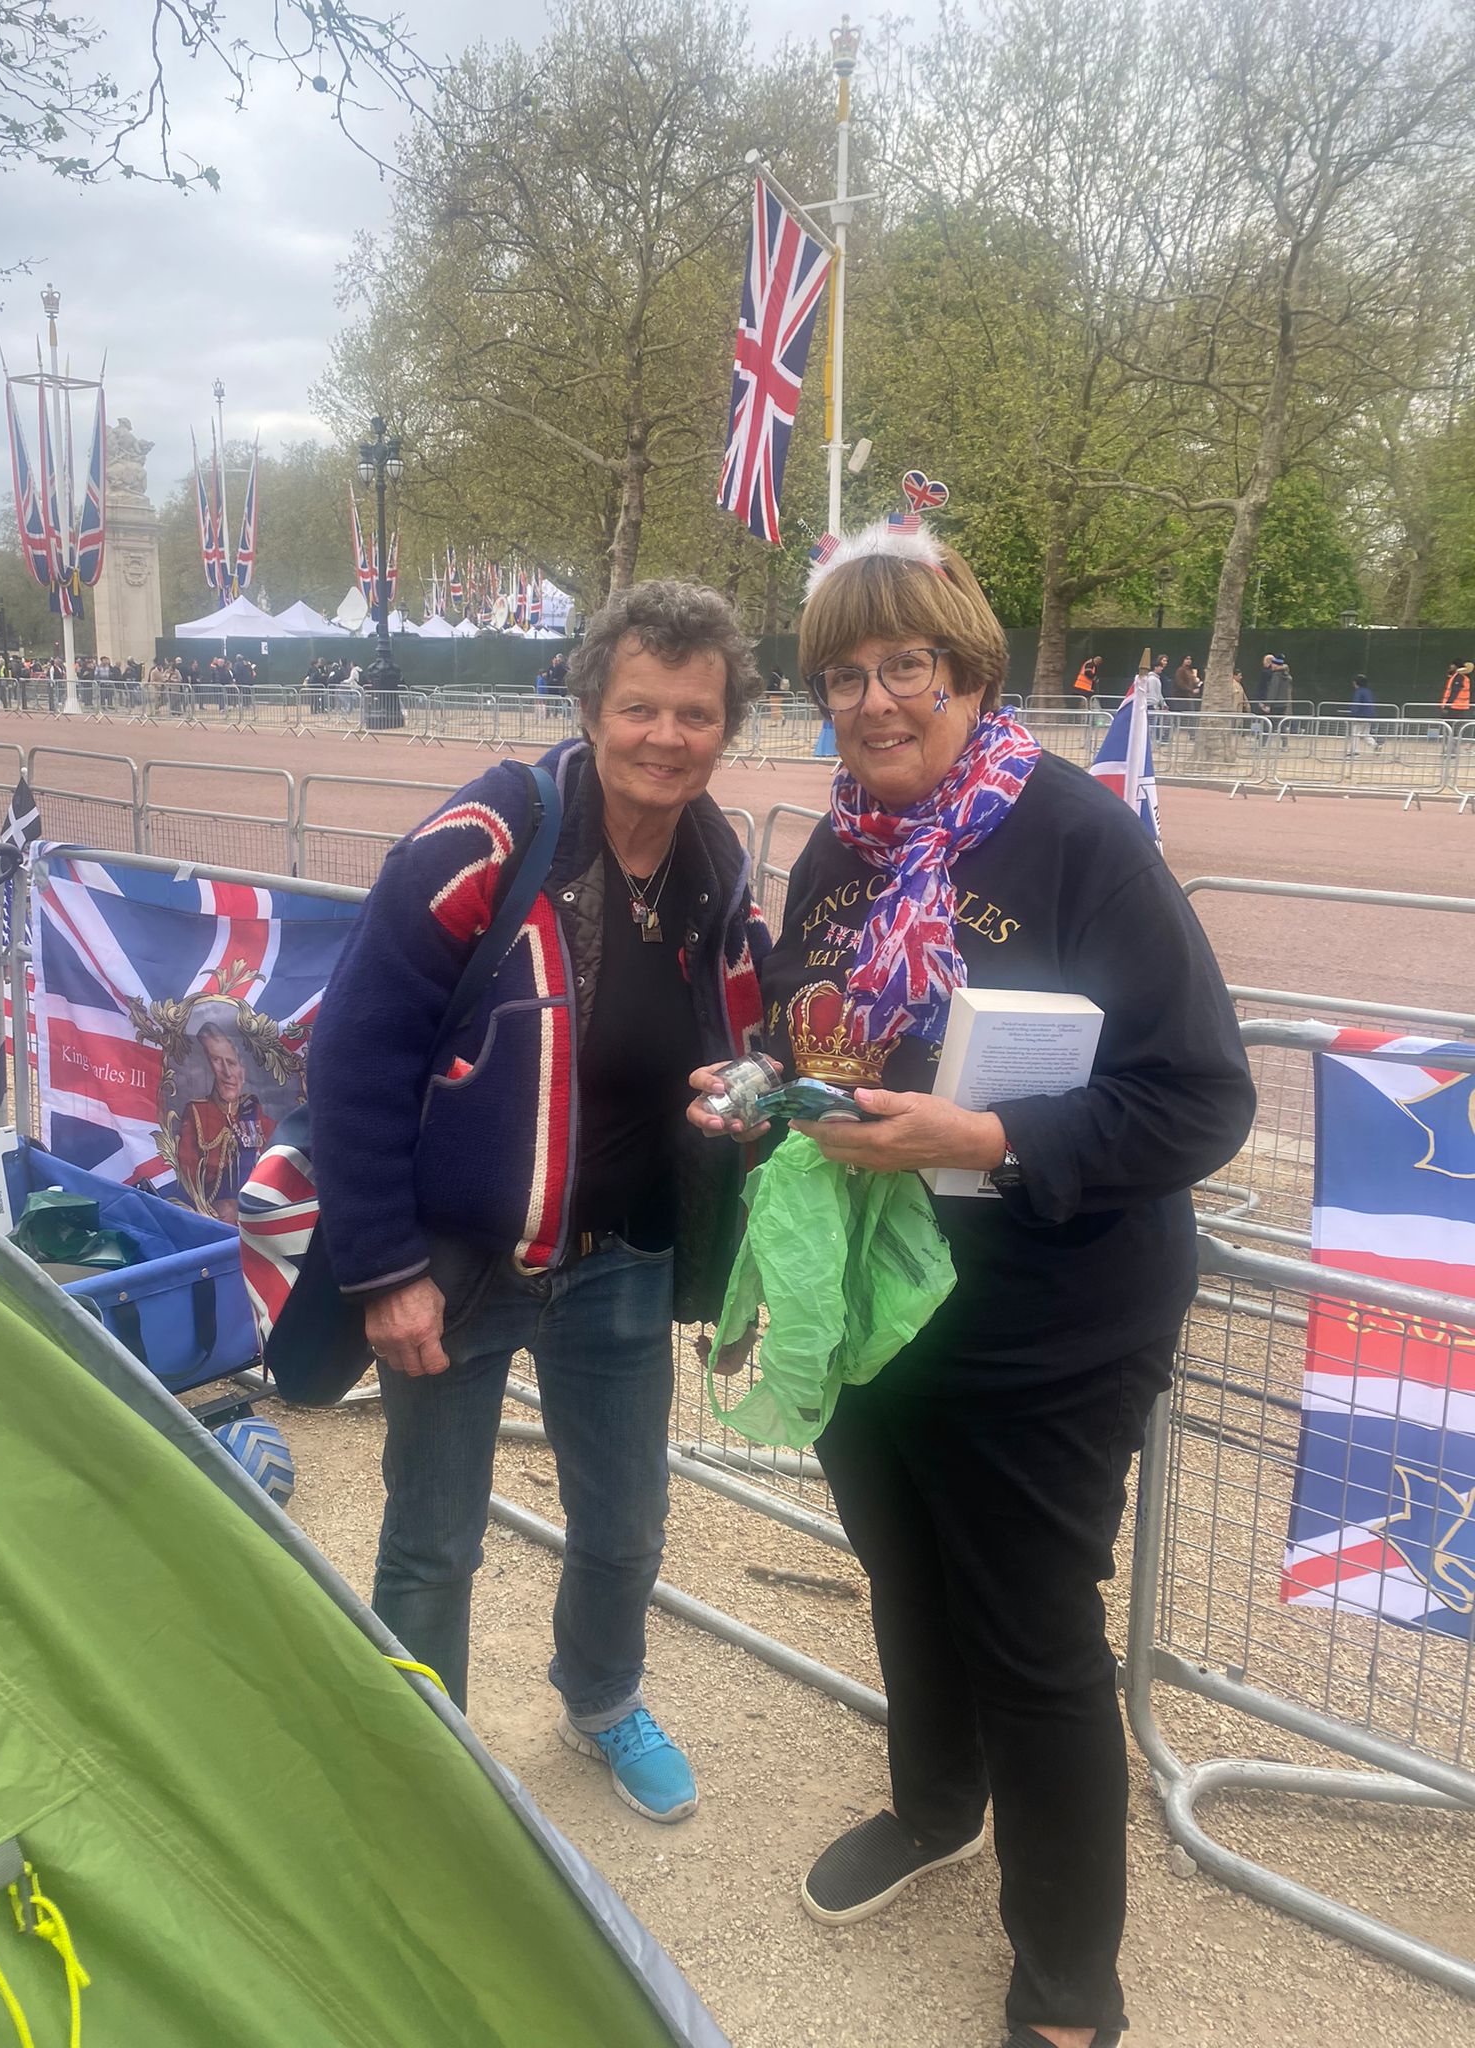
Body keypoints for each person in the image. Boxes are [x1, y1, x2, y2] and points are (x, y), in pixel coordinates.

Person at [690, 521, 1254, 2048]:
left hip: (1049, 1322)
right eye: (845, 676)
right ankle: (936, 1805)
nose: (875, 701)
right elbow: (831, 1045)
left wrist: (992, 1135)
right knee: (908, 1582)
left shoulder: (1074, 836)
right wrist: (759, 1088)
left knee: (1033, 1635)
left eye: (906, 668)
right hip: (875, 1310)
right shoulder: (839, 844)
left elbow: (1203, 1100)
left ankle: (1072, 1984)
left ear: (969, 672)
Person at [307, 579, 769, 1823]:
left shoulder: (717, 858)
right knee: (433, 1535)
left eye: (696, 712)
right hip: (457, 1261)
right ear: (590, 705)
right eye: (640, 707)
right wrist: (383, 1267)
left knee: (625, 1520)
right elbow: (351, 1053)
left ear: (727, 725)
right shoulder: (491, 833)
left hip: (617, 1256)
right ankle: (425, 1756)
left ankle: (603, 1693)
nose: (667, 735)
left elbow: (746, 1023)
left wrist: (749, 1085)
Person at [175, 1022, 276, 1225]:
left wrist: (240, 1208)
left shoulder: (258, 1117)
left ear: (243, 1070)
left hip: (254, 1225)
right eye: (217, 1061)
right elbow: (183, 1185)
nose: (227, 1073)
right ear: (207, 1068)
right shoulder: (196, 1114)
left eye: (231, 1062)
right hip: (208, 1226)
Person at [1347, 674, 1380, 754]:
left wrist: (1353, 714)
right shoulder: (1368, 691)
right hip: (1370, 716)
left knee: (1355, 733)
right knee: (1365, 734)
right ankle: (1375, 746)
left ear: (1356, 683)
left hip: (1360, 716)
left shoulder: (1359, 692)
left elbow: (1356, 703)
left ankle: (1354, 752)